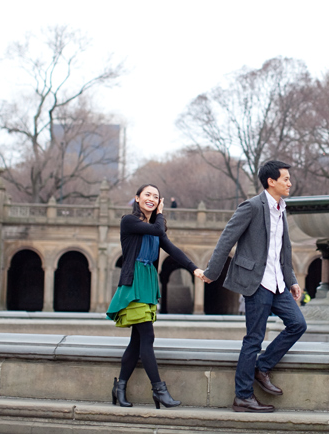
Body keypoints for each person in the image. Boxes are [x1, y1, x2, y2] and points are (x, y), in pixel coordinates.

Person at [198, 160, 306, 413]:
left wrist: (291, 280)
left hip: (278, 282)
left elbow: (284, 249)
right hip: (256, 282)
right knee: (253, 340)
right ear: (271, 181)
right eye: (285, 179)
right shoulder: (252, 206)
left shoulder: (281, 208)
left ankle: (262, 367)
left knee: (298, 324)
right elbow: (227, 238)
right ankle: (243, 397)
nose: (290, 183)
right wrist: (212, 272)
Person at [106, 184, 204, 409]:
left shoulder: (154, 228)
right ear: (137, 198)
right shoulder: (129, 221)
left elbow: (173, 249)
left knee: (137, 341)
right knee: (147, 337)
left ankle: (119, 388)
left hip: (148, 282)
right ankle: (159, 390)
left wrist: (194, 268)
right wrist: (159, 213)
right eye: (147, 195)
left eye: (156, 196)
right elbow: (159, 231)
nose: (151, 198)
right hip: (135, 283)